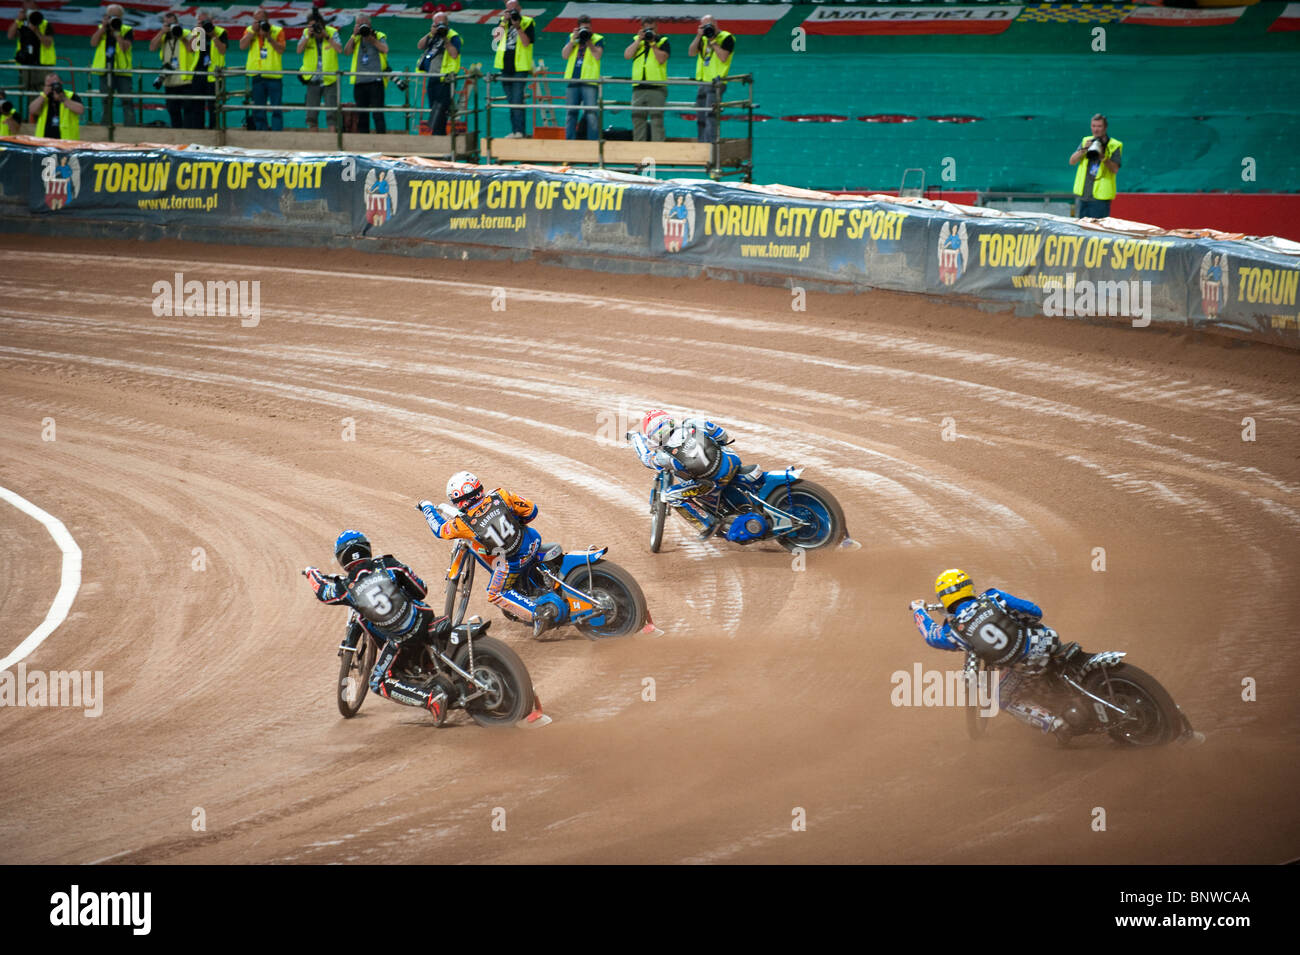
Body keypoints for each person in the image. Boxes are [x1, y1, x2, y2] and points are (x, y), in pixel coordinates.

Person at [304, 530, 455, 721]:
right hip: (423, 617)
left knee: (377, 681)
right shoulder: (388, 564)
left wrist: (311, 572)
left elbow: (322, 591)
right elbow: (420, 590)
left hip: (401, 638)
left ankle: (431, 699)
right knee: (414, 610)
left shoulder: (346, 588)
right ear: (367, 549)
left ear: (342, 559)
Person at [909, 569, 1076, 735]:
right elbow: (1035, 612)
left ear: (943, 597)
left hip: (1027, 664)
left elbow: (931, 635)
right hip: (1049, 640)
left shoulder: (954, 631)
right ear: (969, 587)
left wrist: (919, 610)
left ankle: (1056, 724)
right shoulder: (993, 597)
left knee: (1002, 698)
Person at [417, 471, 568, 638]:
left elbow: (440, 530)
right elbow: (531, 511)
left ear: (459, 500)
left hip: (514, 561)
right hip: (533, 541)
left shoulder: (464, 523)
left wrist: (426, 507)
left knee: (495, 593)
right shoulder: (500, 495)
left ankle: (538, 613)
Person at [630, 409, 742, 539]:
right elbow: (722, 436)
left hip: (713, 482)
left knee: (670, 495)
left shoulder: (664, 456)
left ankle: (708, 525)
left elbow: (646, 459)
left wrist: (635, 438)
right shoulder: (692, 423)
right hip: (732, 460)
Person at [688, 13, 734, 144]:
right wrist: (698, 35)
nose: (707, 28)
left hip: (717, 83)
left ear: (716, 24)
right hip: (702, 82)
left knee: (711, 116)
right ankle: (702, 143)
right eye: (704, 26)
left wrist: (713, 41)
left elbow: (723, 57)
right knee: (701, 116)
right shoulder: (702, 39)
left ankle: (710, 146)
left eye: (710, 25)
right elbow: (691, 53)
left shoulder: (726, 37)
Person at [491, 0, 534, 139]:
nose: (512, 13)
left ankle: (520, 131)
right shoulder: (503, 22)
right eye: (509, 10)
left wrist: (518, 26)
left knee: (517, 99)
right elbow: (495, 39)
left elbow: (526, 42)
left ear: (520, 9)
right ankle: (516, 131)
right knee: (512, 101)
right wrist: (504, 21)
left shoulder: (528, 22)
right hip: (505, 66)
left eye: (514, 10)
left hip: (520, 67)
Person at [239, 6, 286, 131]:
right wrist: (252, 33)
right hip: (257, 75)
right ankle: (261, 132)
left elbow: (281, 50)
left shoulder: (277, 30)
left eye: (262, 21)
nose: (260, 24)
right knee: (258, 108)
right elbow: (242, 46)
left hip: (273, 75)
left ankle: (277, 132)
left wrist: (269, 38)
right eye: (257, 21)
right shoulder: (249, 30)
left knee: (276, 107)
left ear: (268, 19)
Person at [625, 16, 669, 143]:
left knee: (657, 122)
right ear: (642, 29)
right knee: (638, 122)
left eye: (652, 28)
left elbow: (661, 59)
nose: (650, 31)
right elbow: (627, 55)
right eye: (647, 29)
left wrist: (653, 44)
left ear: (657, 28)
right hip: (638, 88)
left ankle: (658, 155)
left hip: (657, 88)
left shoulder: (663, 41)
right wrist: (638, 40)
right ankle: (639, 157)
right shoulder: (637, 41)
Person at [1070, 113, 1123, 218]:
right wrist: (1084, 149)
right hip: (1083, 196)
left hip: (1100, 198)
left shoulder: (1114, 145)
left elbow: (1115, 169)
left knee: (1097, 231)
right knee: (1083, 230)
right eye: (1093, 126)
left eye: (1099, 126)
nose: (1096, 129)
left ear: (1105, 127)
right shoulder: (1086, 141)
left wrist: (1102, 157)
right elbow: (1072, 161)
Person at [297, 8, 342, 132]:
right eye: (311, 26)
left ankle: (333, 143)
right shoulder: (306, 33)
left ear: (322, 24)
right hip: (312, 79)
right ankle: (313, 142)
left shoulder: (332, 32)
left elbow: (339, 49)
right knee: (311, 114)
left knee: (332, 113)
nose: (314, 28)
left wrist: (326, 36)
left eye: (317, 26)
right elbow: (299, 50)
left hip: (330, 79)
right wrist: (307, 37)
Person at [90, 5, 135, 126]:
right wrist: (103, 28)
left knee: (127, 101)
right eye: (111, 16)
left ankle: (130, 128)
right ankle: (105, 126)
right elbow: (93, 43)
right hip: (105, 70)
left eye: (116, 16)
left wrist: (117, 33)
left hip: (122, 71)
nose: (113, 19)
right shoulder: (102, 28)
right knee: (106, 101)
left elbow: (125, 48)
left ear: (121, 17)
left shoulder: (126, 29)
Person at [344, 12, 389, 134]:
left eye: (364, 24)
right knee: (362, 114)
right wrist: (353, 36)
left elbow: (385, 49)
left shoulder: (378, 35)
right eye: (359, 24)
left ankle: (382, 140)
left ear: (369, 24)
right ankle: (364, 142)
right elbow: (347, 52)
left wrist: (372, 40)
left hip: (375, 81)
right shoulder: (356, 38)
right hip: (360, 81)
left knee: (377, 113)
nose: (362, 27)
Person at [417, 10, 461, 135]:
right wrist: (430, 33)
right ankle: (437, 136)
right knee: (433, 109)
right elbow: (420, 46)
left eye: (442, 24)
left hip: (446, 79)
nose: (440, 27)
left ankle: (438, 136)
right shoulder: (432, 36)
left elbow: (454, 54)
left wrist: (445, 39)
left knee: (441, 110)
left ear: (447, 24)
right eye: (437, 24)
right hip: (432, 77)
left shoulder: (453, 36)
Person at [561, 13, 602, 141]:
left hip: (589, 81)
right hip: (573, 81)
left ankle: (592, 145)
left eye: (588, 28)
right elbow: (565, 55)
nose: (586, 31)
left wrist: (588, 40)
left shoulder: (597, 38)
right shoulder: (572, 38)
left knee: (591, 115)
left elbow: (597, 55)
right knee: (571, 113)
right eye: (583, 28)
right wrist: (573, 41)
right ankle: (570, 143)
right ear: (578, 28)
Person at [149, 12, 194, 129]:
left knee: (189, 110)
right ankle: (177, 133)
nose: (170, 26)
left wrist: (180, 36)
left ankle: (188, 133)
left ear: (177, 23)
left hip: (185, 79)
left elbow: (191, 49)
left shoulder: (187, 33)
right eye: (167, 24)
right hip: (169, 79)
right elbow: (152, 47)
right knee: (173, 110)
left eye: (172, 24)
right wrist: (162, 32)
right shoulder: (163, 36)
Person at [186, 11, 228, 130]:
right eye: (200, 21)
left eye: (205, 21)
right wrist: (196, 33)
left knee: (213, 106)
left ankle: (214, 129)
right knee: (197, 105)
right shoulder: (197, 33)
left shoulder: (220, 32)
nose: (203, 24)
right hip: (199, 73)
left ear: (211, 21)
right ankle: (198, 129)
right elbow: (189, 49)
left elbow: (222, 50)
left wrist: (213, 35)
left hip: (214, 74)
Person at [8, 0, 56, 94]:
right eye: (24, 3)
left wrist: (36, 30)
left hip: (42, 65)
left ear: (35, 4)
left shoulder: (45, 24)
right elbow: (10, 36)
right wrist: (18, 20)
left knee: (44, 92)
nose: (24, 5)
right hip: (26, 63)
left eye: (27, 2)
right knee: (30, 93)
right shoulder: (21, 24)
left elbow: (48, 43)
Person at [28, 71, 83, 140]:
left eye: (55, 84)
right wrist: (44, 95)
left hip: (66, 141)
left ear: (61, 83)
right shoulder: (43, 98)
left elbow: (80, 110)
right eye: (49, 85)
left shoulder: (70, 96)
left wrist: (63, 98)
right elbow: (32, 110)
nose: (53, 87)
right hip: (43, 141)